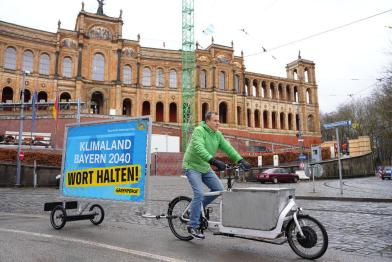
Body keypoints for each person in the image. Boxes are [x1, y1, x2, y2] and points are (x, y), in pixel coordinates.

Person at [182, 111, 251, 239]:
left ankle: (194, 210)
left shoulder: (217, 135)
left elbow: (228, 148)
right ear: (207, 121)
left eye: (218, 120)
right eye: (215, 120)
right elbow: (198, 148)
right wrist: (213, 161)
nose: (218, 123)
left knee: (219, 189)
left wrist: (240, 160)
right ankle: (192, 225)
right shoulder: (199, 131)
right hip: (191, 166)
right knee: (199, 193)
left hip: (205, 167)